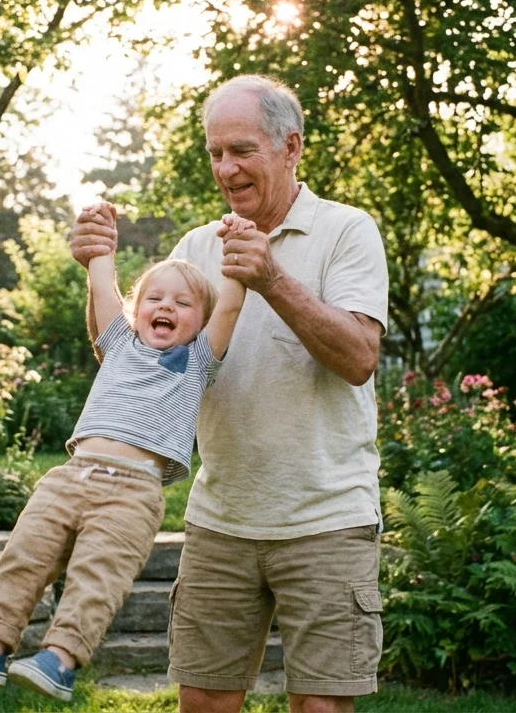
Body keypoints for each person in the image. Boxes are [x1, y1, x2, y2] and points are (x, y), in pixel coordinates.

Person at [70, 74, 389, 713]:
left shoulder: (346, 231)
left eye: (241, 150)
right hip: (222, 519)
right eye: (216, 152)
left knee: (321, 708)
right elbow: (128, 360)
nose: (226, 168)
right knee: (204, 704)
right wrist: (96, 270)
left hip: (327, 518)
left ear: (291, 146)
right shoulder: (196, 247)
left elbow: (358, 357)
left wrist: (270, 277)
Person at [0, 214, 252, 701]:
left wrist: (237, 255)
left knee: (97, 576)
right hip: (69, 477)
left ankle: (59, 660)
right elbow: (102, 284)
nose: (166, 306)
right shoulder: (120, 343)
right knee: (24, 556)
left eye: (183, 303)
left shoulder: (197, 360)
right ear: (136, 309)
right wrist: (101, 238)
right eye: (155, 299)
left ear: (200, 322)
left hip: (132, 492)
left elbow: (230, 306)